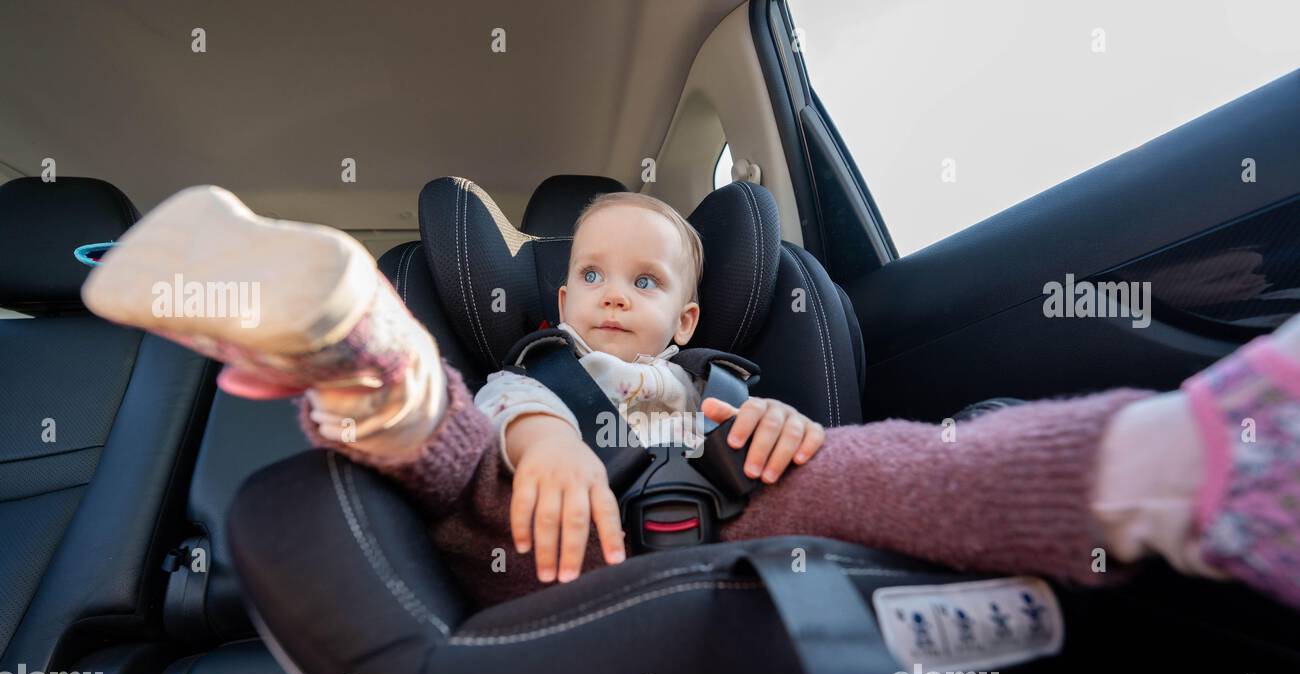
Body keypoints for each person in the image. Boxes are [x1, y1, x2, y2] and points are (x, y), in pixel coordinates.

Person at [82, 185, 1300, 611]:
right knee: (451, 453)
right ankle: (354, 341)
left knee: (894, 464)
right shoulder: (548, 366)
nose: (614, 296)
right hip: (537, 536)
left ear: (690, 318)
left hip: (729, 524)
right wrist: (550, 438)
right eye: (591, 276)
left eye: (646, 280)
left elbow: (792, 455)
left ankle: (1196, 462)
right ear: (561, 299)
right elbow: (513, 419)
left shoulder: (718, 381)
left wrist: (790, 431)